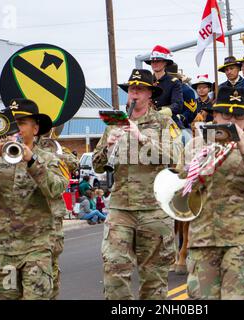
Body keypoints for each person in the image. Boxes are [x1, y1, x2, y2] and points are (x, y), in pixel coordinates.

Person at [93, 68, 183, 300]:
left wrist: (141, 137)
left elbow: (175, 158)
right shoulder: (114, 123)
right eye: (131, 89)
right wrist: (108, 147)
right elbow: (97, 165)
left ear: (150, 94)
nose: (134, 93)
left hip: (154, 210)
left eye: (140, 89)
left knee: (153, 280)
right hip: (121, 208)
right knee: (114, 269)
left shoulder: (163, 121)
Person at [0, 98, 69, 300]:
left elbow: (56, 188)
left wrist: (32, 161)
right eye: (12, 124)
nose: (16, 129)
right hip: (4, 251)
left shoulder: (48, 160)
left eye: (21, 123)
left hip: (37, 248)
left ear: (36, 128)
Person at [183, 86, 244, 300]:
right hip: (204, 239)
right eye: (226, 115)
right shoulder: (195, 146)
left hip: (243, 240)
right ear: (215, 115)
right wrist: (197, 174)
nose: (233, 121)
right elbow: (181, 189)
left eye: (239, 116)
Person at [37, 131, 79, 299]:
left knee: (51, 263)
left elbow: (73, 164)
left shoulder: (55, 147)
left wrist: (55, 152)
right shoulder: (16, 146)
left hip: (52, 215)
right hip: (26, 220)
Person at [144, 45, 183, 125]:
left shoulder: (174, 82)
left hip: (169, 122)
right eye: (153, 61)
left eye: (158, 61)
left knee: (183, 137)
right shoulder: (146, 82)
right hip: (148, 121)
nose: (155, 63)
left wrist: (160, 113)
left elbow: (178, 105)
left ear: (165, 63)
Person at [165, 63, 196, 144]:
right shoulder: (160, 88)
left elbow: (192, 111)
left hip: (181, 126)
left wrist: (181, 117)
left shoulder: (186, 90)